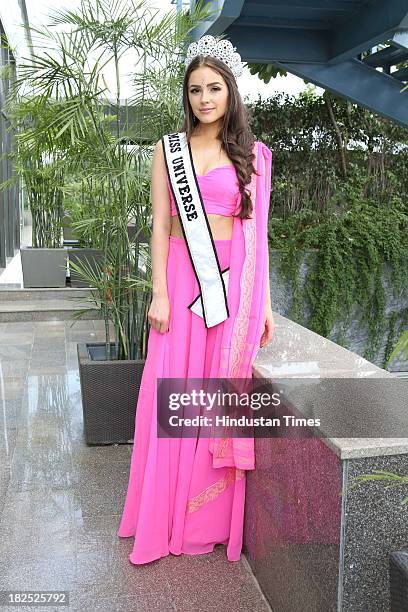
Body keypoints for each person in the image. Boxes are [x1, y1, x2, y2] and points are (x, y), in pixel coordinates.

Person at [117, 34, 275, 565]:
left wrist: (266, 305)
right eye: (195, 90)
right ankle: (161, 518)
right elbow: (161, 225)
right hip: (184, 279)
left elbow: (259, 234)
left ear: (229, 92)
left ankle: (200, 518)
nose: (204, 99)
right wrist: (159, 291)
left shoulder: (254, 155)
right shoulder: (170, 149)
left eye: (213, 88)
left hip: (234, 286)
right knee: (173, 393)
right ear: (186, 97)